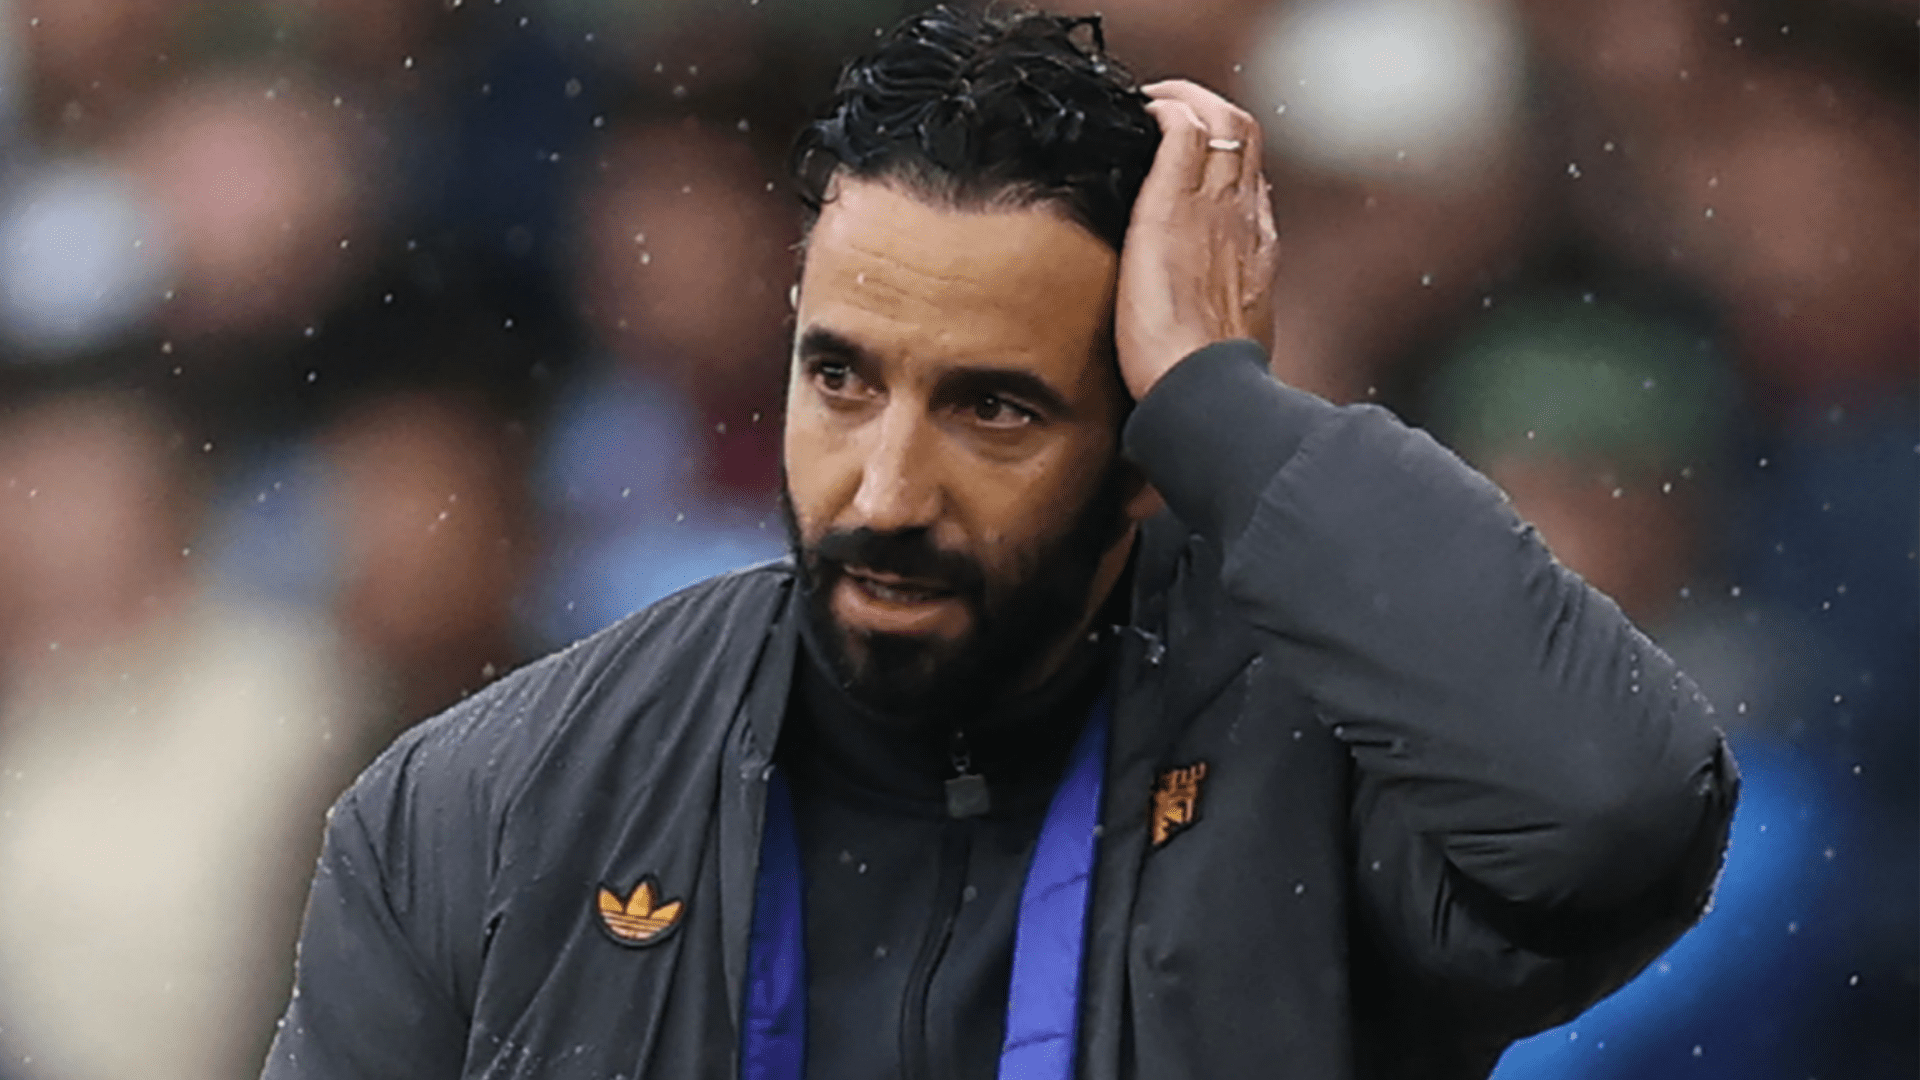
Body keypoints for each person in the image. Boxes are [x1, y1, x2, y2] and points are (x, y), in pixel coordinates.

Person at [261, 8, 1737, 1079]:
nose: (888, 490)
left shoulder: (1315, 769)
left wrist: (1227, 408)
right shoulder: (487, 808)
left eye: (996, 408)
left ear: (1146, 458)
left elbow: (1615, 809)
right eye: (842, 379)